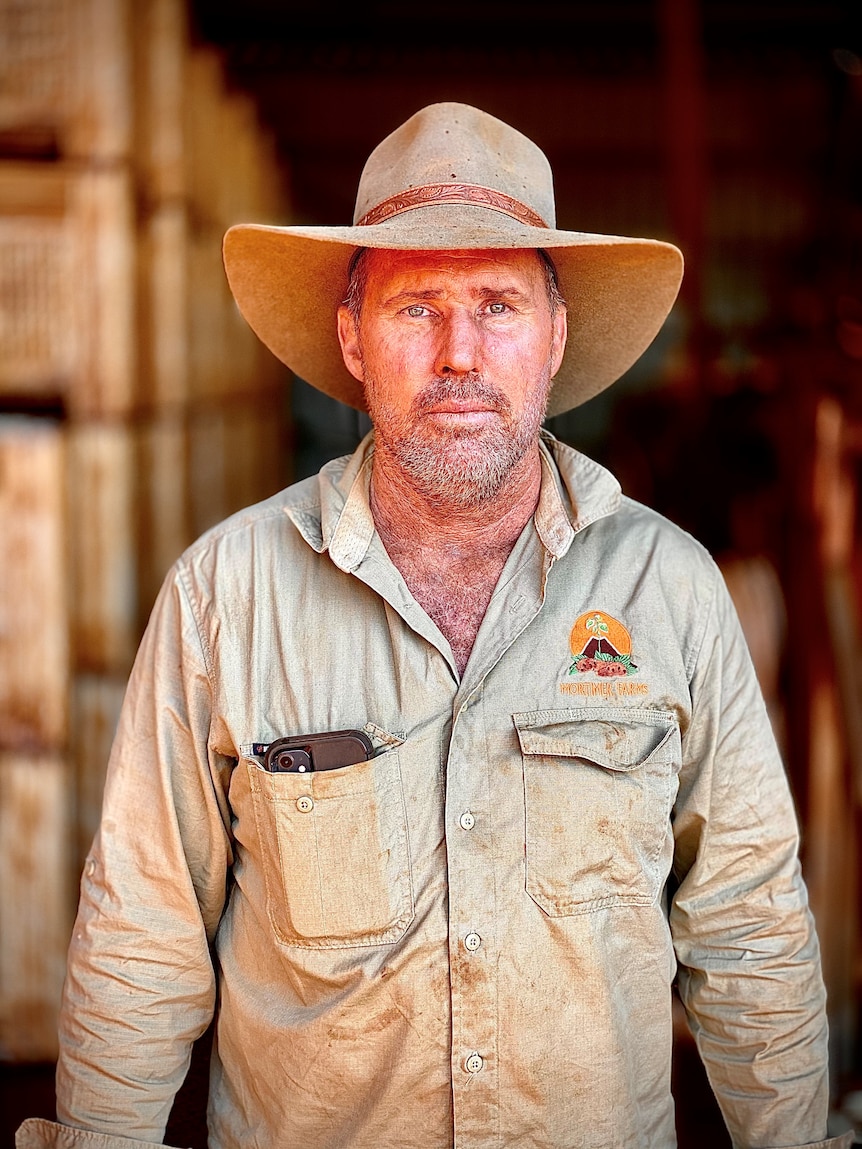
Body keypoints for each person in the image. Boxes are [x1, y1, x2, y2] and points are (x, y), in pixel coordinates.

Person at [17, 103, 851, 1149]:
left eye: (499, 304)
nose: (460, 352)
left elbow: (747, 926)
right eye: (416, 309)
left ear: (553, 338)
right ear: (352, 339)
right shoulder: (226, 596)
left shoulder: (668, 590)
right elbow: (142, 943)